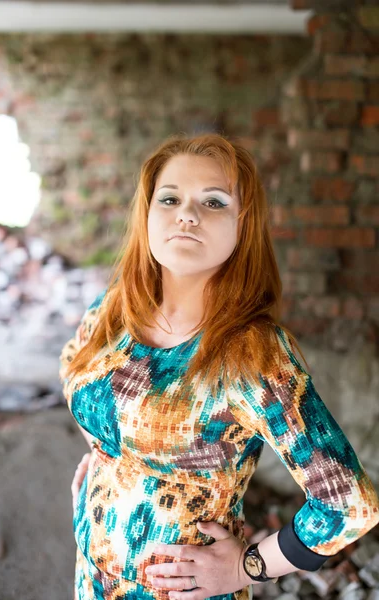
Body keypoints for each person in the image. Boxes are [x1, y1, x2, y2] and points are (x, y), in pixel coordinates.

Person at [59, 133, 379, 600]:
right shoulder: (115, 309)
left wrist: (245, 567)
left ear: (242, 227)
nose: (187, 214)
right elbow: (72, 366)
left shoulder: (254, 353)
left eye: (213, 202)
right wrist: (111, 463)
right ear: (147, 215)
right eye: (169, 199)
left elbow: (348, 504)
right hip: (90, 579)